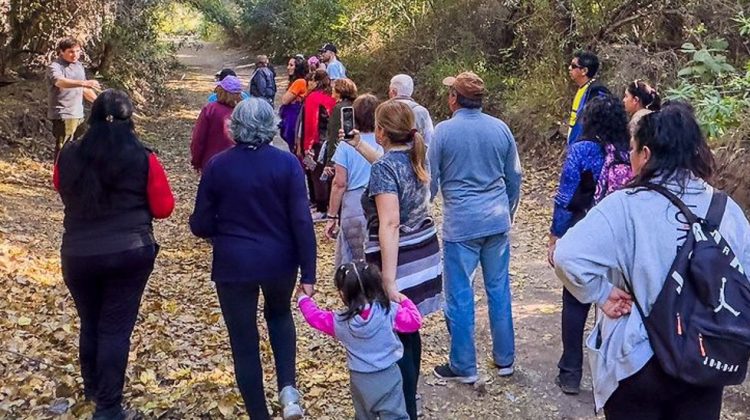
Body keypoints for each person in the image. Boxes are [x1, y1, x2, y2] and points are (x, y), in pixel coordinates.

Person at [553, 101, 750, 419]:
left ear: (645, 154)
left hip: (638, 359)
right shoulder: (726, 210)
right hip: (705, 358)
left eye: (631, 149)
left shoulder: (624, 206)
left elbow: (566, 255)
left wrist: (602, 294)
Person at [189, 98, 316, 420]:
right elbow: (302, 221)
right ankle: (288, 390)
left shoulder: (218, 165)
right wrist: (309, 274)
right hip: (280, 260)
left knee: (243, 338)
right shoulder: (287, 164)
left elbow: (200, 224)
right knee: (279, 315)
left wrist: (223, 226)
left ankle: (259, 414)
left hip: (234, 264)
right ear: (270, 126)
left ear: (235, 127)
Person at [53, 89, 174, 419]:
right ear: (129, 118)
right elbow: (164, 208)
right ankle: (108, 407)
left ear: (91, 117)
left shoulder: (69, 153)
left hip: (78, 253)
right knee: (115, 329)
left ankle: (93, 389)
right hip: (129, 252)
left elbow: (58, 185)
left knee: (90, 322)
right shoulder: (142, 156)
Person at [343, 100, 443, 420]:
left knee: (394, 338)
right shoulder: (413, 156)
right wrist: (359, 145)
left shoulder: (387, 168)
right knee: (409, 329)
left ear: (382, 132)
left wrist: (387, 280)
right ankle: (408, 398)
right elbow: (386, 167)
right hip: (423, 255)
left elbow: (389, 223)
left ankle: (403, 407)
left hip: (399, 261)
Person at [428, 71, 522, 383]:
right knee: (498, 289)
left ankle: (464, 365)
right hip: (496, 221)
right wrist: (507, 210)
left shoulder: (442, 132)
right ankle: (505, 359)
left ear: (455, 98)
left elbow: (431, 179)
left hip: (462, 223)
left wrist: (424, 207)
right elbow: (514, 177)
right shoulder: (501, 129)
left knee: (460, 293)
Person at [546, 95, 630, 395]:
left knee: (575, 298)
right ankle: (611, 374)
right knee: (617, 301)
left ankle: (570, 372)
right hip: (623, 235)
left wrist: (555, 236)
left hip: (585, 230)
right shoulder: (629, 152)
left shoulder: (581, 150)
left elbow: (566, 198)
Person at [297, 261, 421, 420]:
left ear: (343, 293)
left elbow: (314, 317)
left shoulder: (340, 322)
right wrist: (404, 300)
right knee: (395, 415)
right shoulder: (389, 311)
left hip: (360, 379)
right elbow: (415, 322)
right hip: (388, 376)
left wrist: (303, 299)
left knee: (363, 415)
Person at [324, 94, 382, 267]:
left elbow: (339, 183)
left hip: (354, 206)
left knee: (354, 261)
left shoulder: (346, 145)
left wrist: (331, 216)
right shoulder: (384, 141)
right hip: (380, 202)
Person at [47, 37, 101, 159]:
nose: (75, 55)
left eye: (77, 51)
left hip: (78, 113)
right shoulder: (55, 66)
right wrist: (83, 83)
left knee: (77, 147)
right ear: (61, 51)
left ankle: (73, 174)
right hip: (64, 113)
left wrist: (100, 102)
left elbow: (84, 89)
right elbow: (60, 82)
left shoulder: (78, 66)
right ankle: (59, 176)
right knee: (63, 149)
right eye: (71, 51)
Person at [298, 69, 336, 221]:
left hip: (318, 143)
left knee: (317, 174)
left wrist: (308, 147)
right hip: (331, 141)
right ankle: (330, 206)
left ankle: (321, 207)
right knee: (330, 175)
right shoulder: (332, 97)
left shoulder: (313, 98)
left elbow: (311, 123)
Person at [191, 75, 243, 172]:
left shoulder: (210, 109)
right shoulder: (244, 111)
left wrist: (196, 161)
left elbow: (199, 138)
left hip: (212, 163)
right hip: (238, 164)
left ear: (220, 91)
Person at [566, 50, 611, 145]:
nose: (569, 68)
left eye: (574, 66)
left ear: (584, 71)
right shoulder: (584, 88)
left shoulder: (597, 92)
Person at [322, 78, 358, 175]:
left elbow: (334, 135)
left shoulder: (339, 108)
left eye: (334, 88)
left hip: (342, 151)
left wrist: (330, 161)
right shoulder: (356, 105)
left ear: (340, 91)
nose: (332, 90)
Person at [388, 74, 434, 147]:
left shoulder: (384, 110)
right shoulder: (422, 111)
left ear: (394, 92)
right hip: (416, 157)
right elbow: (429, 140)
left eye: (389, 90)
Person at [279, 56, 309, 152]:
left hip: (294, 117)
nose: (288, 67)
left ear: (298, 67)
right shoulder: (304, 80)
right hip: (297, 116)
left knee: (294, 145)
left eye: (291, 65)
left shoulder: (299, 82)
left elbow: (284, 100)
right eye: (288, 64)